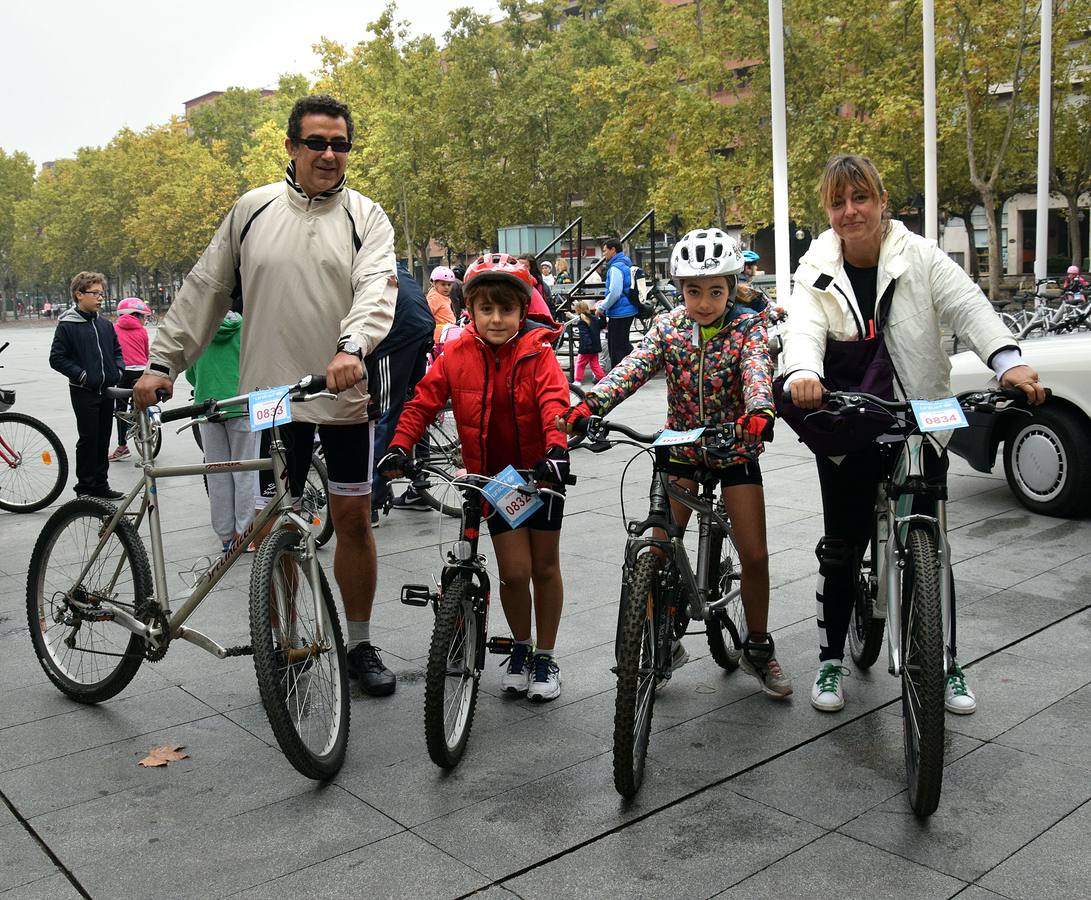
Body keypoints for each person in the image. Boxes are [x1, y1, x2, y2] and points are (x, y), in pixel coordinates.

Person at [133, 94, 400, 697]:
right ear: (291, 147)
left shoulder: (367, 216)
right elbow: (205, 286)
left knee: (354, 519)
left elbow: (377, 288)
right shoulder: (252, 210)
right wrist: (163, 362)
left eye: (339, 144)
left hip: (341, 394)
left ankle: (357, 643)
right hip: (271, 400)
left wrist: (352, 348)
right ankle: (285, 640)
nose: (329, 154)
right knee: (275, 524)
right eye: (316, 143)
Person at [781, 153, 1046, 715]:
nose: (850, 211)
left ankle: (947, 662)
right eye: (838, 202)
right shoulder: (815, 268)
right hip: (849, 416)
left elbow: (968, 306)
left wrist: (1006, 361)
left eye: (861, 198)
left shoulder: (920, 255)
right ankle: (831, 658)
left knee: (932, 537)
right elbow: (802, 328)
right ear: (828, 211)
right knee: (843, 543)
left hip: (922, 412)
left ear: (881, 202)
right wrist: (803, 372)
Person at [561, 228, 793, 700]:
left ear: (731, 289)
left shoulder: (747, 329)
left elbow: (755, 370)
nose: (704, 302)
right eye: (692, 291)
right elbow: (631, 367)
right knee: (658, 546)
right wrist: (591, 406)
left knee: (755, 554)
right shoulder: (667, 328)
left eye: (714, 291)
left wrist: (758, 411)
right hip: (681, 450)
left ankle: (758, 645)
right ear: (679, 290)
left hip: (734, 449)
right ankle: (659, 636)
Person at [379, 254, 572, 702]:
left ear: (524, 311)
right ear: (471, 310)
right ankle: (521, 648)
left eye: (507, 310)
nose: (497, 319)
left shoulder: (539, 352)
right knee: (514, 572)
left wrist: (557, 451)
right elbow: (423, 402)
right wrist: (399, 445)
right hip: (498, 480)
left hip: (541, 473)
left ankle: (546, 655)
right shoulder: (455, 354)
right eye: (487, 309)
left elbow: (555, 406)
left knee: (544, 568)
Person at [183, 311, 260, 553]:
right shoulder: (246, 327)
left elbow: (191, 374)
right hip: (241, 405)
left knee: (216, 472)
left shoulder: (200, 328)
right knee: (245, 471)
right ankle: (245, 533)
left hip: (208, 407)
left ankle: (226, 536)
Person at [49, 272, 125, 500]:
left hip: (107, 390)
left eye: (102, 293)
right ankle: (84, 488)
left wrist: (118, 371)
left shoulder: (105, 325)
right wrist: (82, 376)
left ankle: (101, 485)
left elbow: (117, 352)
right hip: (84, 391)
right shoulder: (67, 326)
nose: (100, 298)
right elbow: (57, 358)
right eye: (95, 293)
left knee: (103, 439)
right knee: (88, 439)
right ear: (79, 295)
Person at [369, 261, 436, 522]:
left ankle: (373, 498)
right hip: (421, 325)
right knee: (418, 406)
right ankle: (420, 485)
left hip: (397, 335)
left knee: (386, 415)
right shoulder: (389, 261)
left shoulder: (363, 265)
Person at [110, 297, 152, 461]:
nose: (144, 320)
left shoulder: (113, 329)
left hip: (123, 372)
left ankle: (122, 446)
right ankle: (141, 419)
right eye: (143, 317)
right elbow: (146, 353)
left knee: (120, 409)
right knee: (140, 401)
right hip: (141, 371)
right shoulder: (142, 331)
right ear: (137, 315)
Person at [597, 238, 639, 366]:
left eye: (605, 251)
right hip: (629, 309)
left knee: (616, 350)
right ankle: (635, 366)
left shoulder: (616, 267)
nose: (603, 254)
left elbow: (615, 292)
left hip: (619, 312)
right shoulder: (626, 263)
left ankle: (622, 375)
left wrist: (602, 307)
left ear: (613, 250)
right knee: (624, 345)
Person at [572, 299, 606, 386]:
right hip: (595, 347)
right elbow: (602, 325)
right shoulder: (594, 318)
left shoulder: (581, 321)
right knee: (595, 365)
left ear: (577, 310)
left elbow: (584, 335)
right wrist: (603, 316)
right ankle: (603, 380)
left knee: (579, 364)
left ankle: (578, 380)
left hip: (586, 348)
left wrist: (586, 346)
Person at [427, 266, 457, 341]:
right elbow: (427, 315)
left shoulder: (443, 296)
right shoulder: (435, 297)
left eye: (449, 285)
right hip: (441, 335)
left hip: (448, 332)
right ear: (434, 283)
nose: (447, 287)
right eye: (443, 284)